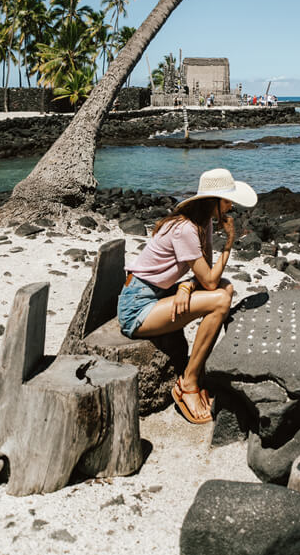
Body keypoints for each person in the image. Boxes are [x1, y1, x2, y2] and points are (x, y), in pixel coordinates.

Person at [117, 167, 257, 424]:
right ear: (212, 201)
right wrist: (229, 242)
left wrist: (186, 286)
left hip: (159, 295)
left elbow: (207, 279)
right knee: (220, 299)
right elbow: (209, 280)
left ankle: (197, 373)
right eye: (226, 200)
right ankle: (188, 384)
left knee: (226, 288)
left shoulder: (203, 224)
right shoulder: (185, 229)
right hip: (137, 308)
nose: (230, 207)